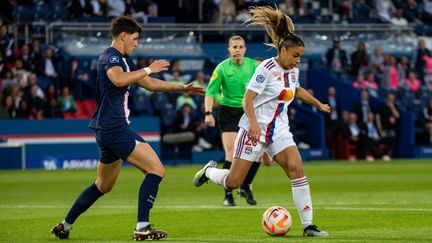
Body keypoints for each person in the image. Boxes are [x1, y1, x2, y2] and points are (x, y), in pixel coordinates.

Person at [50, 16, 204, 241]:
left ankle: (64, 226)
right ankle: (142, 227)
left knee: (103, 186)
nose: (137, 43)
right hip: (114, 128)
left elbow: (148, 84)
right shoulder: (111, 57)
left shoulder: (122, 60)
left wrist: (180, 88)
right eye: (135, 38)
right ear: (123, 36)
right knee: (156, 169)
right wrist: (149, 69)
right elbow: (120, 80)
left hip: (107, 130)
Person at [194, 6, 330, 237]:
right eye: (295, 55)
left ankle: (308, 225)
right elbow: (248, 100)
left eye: (301, 57)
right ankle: (209, 172)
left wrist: (318, 104)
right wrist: (255, 124)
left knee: (297, 169)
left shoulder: (292, 70)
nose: (298, 60)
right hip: (253, 130)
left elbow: (296, 90)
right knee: (234, 182)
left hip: (279, 131)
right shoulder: (265, 68)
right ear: (283, 51)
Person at [204, 35, 261, 206]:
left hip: (248, 111)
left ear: (245, 49)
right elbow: (210, 93)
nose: (237, 50)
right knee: (231, 153)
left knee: (256, 154)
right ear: (229, 49)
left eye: (240, 47)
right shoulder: (221, 68)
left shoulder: (254, 66)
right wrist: (208, 113)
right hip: (228, 112)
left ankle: (245, 185)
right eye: (234, 47)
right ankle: (228, 194)